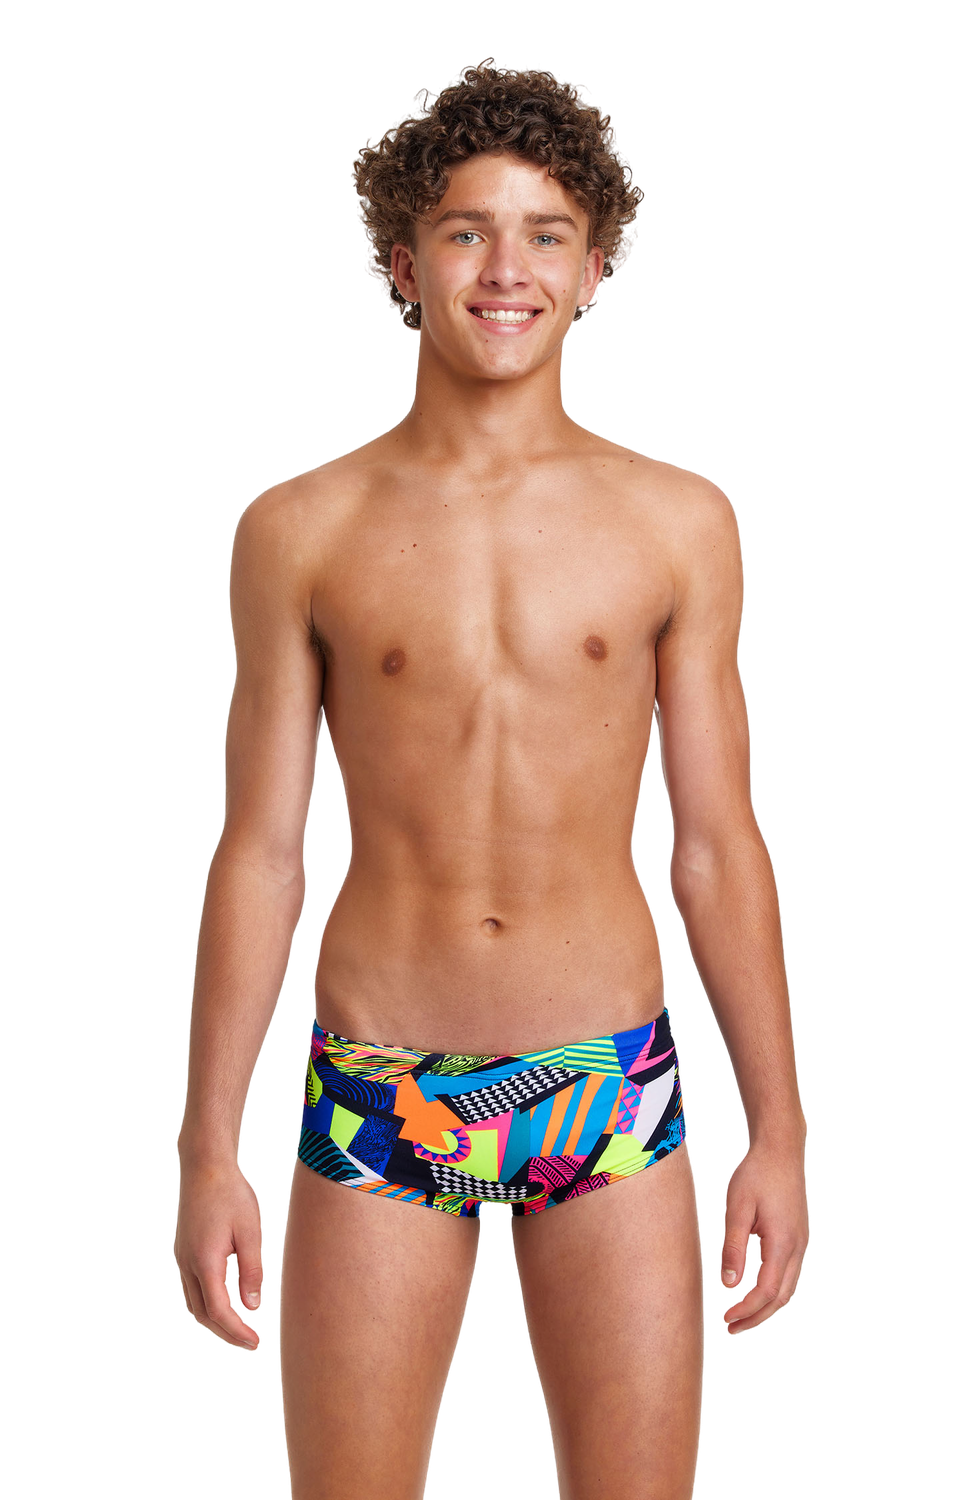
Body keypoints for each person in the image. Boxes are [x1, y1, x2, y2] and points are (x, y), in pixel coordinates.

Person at [173, 60, 810, 1500]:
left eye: (545, 233)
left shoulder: (680, 520)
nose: (506, 269)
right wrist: (208, 1149)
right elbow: (260, 851)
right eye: (466, 231)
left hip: (608, 1089)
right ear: (402, 264)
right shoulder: (298, 528)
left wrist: (780, 1130)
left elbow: (716, 844)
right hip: (382, 1088)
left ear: (599, 267)